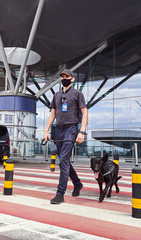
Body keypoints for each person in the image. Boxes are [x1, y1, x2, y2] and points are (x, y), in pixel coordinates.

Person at [44, 69, 88, 204]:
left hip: (71, 129)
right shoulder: (56, 95)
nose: (64, 78)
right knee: (65, 160)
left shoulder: (77, 94)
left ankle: (60, 193)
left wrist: (82, 131)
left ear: (72, 79)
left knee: (63, 160)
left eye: (66, 76)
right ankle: (77, 183)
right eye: (62, 76)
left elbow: (84, 112)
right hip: (58, 130)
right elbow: (52, 114)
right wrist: (46, 131)